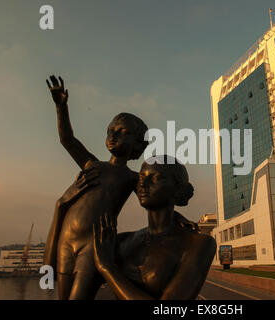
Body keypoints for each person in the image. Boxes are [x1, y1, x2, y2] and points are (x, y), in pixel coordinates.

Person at [44, 76, 149, 299]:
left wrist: (177, 218)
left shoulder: (132, 178)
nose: (113, 135)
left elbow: (154, 201)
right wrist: (61, 107)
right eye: (111, 129)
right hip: (66, 240)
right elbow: (67, 139)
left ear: (138, 144)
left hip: (94, 245)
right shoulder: (92, 165)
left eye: (123, 132)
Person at [92, 156, 217, 299]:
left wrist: (107, 267)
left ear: (177, 189)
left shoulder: (198, 243)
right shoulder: (121, 240)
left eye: (155, 178)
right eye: (140, 179)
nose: (143, 184)